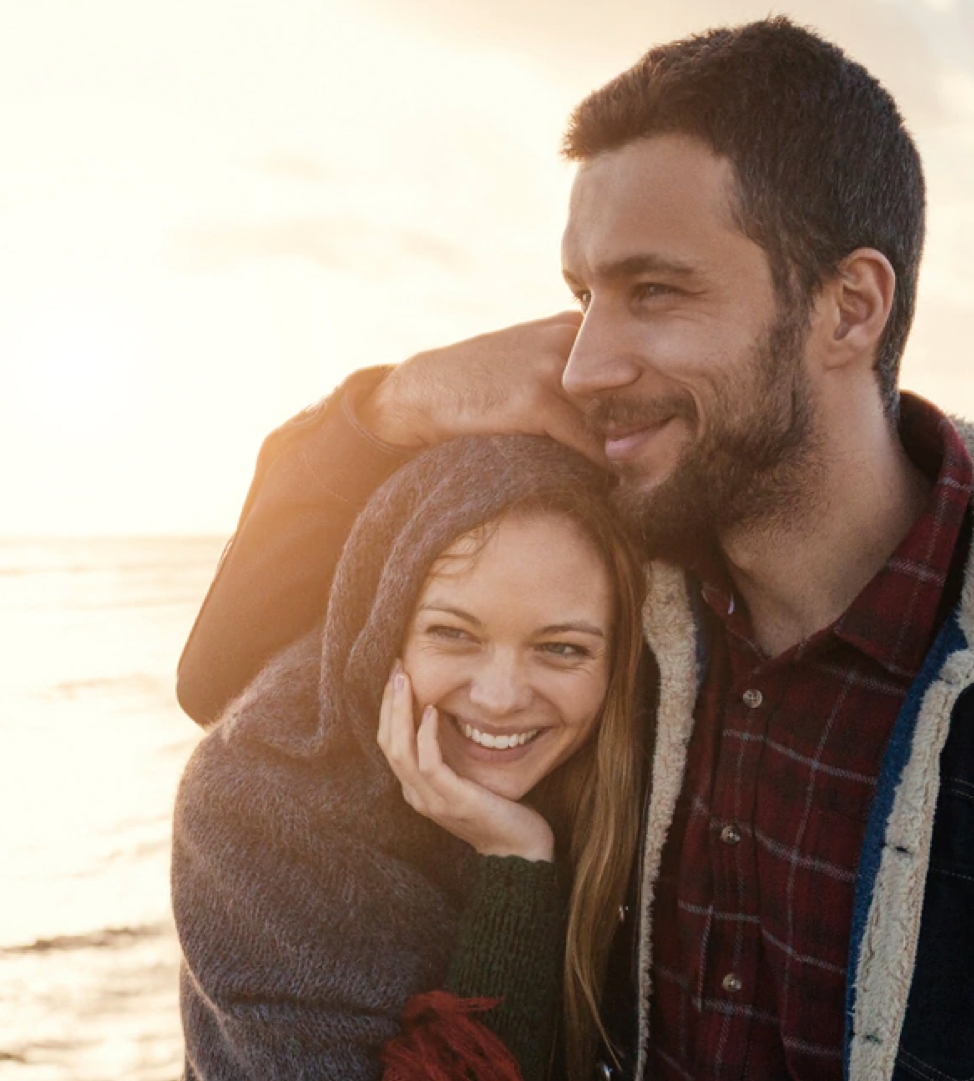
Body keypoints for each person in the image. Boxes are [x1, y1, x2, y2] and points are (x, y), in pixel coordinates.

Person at [177, 18, 974, 1080]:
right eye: (583, 296)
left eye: (653, 291)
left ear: (849, 308)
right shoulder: (606, 613)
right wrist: (405, 396)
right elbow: (223, 673)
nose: (582, 365)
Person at [171, 435, 665, 1080]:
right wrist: (518, 862)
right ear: (383, 628)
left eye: (563, 649)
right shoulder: (255, 797)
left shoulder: (644, 773)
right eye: (453, 634)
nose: (500, 697)